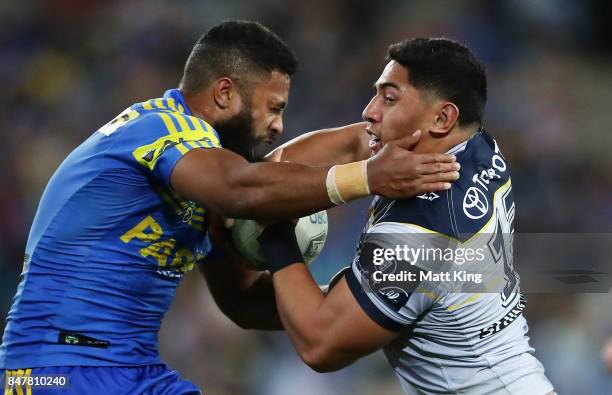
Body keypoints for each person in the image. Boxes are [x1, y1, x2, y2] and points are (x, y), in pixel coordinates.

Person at [0, 22, 460, 395]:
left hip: (132, 371)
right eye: (273, 108)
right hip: (55, 368)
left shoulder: (199, 183)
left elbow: (243, 301)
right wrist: (366, 177)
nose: (278, 126)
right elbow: (238, 189)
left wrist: (373, 310)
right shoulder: (158, 128)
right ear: (224, 93)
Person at [220, 37, 556, 394]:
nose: (370, 110)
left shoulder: (425, 229)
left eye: (390, 98)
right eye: (377, 94)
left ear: (443, 117)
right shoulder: (472, 146)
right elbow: (352, 147)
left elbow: (319, 345)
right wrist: (250, 188)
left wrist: (274, 228)